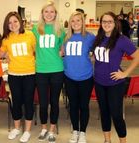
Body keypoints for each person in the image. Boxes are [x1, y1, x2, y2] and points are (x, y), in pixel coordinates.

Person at [92, 11, 139, 143]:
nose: (107, 24)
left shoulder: (122, 39)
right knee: (104, 113)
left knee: (117, 115)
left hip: (115, 83)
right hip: (99, 82)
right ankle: (107, 140)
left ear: (115, 23)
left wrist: (125, 73)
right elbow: (97, 57)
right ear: (101, 24)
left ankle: (122, 141)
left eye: (110, 21)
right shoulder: (98, 38)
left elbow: (137, 56)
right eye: (104, 21)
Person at [32, 1, 65, 142]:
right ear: (42, 14)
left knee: (54, 102)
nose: (49, 14)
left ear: (55, 14)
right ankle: (44, 128)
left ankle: (52, 129)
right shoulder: (35, 29)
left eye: (52, 11)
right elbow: (32, 47)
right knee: (43, 103)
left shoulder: (60, 30)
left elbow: (62, 49)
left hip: (57, 69)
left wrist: (63, 51)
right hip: (41, 70)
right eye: (46, 11)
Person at [0, 11, 36, 143]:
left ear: (20, 22)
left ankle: (27, 130)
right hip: (14, 74)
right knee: (16, 102)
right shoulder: (6, 38)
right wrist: (4, 55)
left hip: (29, 74)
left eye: (15, 21)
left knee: (28, 102)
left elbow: (37, 51)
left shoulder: (30, 35)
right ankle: (17, 128)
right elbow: (0, 53)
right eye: (9, 22)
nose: (13, 24)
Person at [63, 11, 95, 143]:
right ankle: (75, 130)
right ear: (70, 23)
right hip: (69, 77)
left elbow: (98, 52)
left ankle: (83, 133)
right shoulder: (66, 38)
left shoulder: (90, 37)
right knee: (73, 105)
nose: (75, 23)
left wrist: (92, 58)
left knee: (84, 106)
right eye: (73, 21)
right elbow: (61, 53)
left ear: (82, 22)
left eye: (78, 20)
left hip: (86, 77)